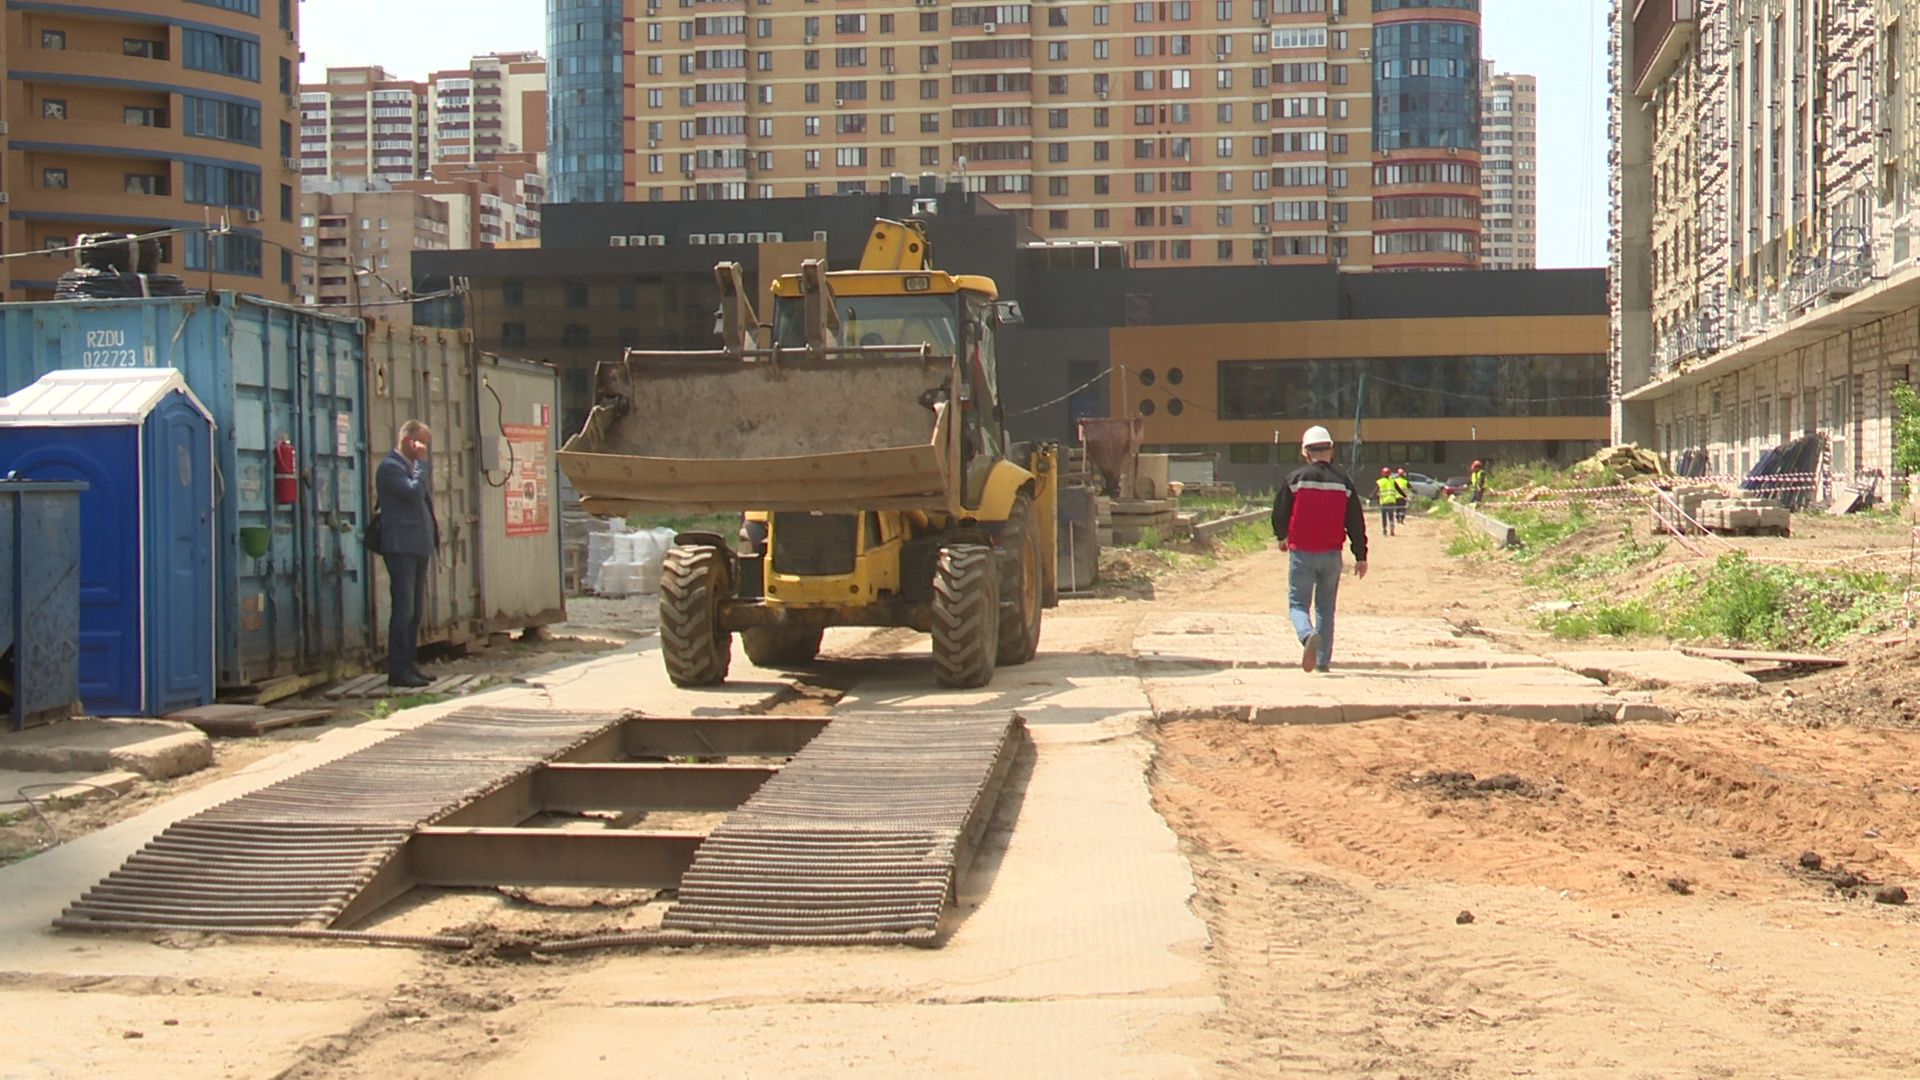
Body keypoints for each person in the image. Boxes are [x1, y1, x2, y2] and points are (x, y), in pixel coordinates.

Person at [1272, 426, 1368, 673]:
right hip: (1332, 555)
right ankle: (1323, 661)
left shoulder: (1296, 479)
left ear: (1305, 451)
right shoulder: (1344, 481)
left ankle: (1306, 635)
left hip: (1302, 553)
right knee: (1326, 607)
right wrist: (1361, 555)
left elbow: (1280, 512)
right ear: (1331, 450)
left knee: (1297, 605)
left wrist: (1282, 536)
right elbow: (1355, 520)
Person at [377, 420, 439, 688]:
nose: (424, 449)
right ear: (407, 441)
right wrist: (422, 465)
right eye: (421, 443)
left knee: (414, 611)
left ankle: (409, 664)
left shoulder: (410, 468)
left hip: (417, 546)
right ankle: (398, 670)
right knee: (403, 610)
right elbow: (414, 494)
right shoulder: (390, 467)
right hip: (401, 546)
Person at [1374, 466, 1400, 537]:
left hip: (1384, 502)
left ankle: (1384, 530)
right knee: (1391, 516)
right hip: (1391, 501)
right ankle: (1392, 529)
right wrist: (1405, 496)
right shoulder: (1393, 481)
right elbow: (1399, 490)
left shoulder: (1380, 481)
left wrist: (1370, 498)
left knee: (1384, 517)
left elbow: (1375, 491)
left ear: (1382, 473)